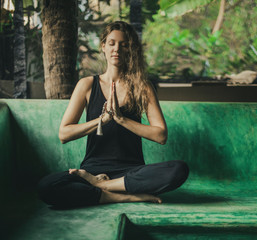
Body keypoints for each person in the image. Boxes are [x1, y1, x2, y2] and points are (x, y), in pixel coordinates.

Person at [37, 21, 189, 207]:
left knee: (178, 170)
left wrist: (121, 119)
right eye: (111, 43)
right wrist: (103, 120)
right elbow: (64, 134)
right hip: (92, 171)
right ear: (103, 46)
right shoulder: (86, 85)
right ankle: (120, 196)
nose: (117, 49)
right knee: (46, 186)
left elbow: (161, 135)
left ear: (130, 50)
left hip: (131, 173)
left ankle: (104, 187)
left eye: (124, 45)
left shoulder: (142, 87)